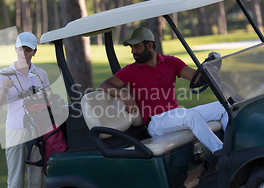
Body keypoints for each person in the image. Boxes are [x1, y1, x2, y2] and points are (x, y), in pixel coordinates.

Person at [98, 27, 228, 155]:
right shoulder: (130, 70)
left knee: (224, 106)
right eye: (131, 47)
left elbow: (198, 79)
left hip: (177, 113)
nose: (133, 51)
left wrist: (213, 67)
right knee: (191, 116)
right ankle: (222, 153)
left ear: (149, 45)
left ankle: (233, 146)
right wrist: (122, 92)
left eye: (136, 46)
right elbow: (104, 85)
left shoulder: (171, 62)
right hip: (156, 122)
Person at [0, 32, 50, 188]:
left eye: (28, 50)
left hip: (37, 130)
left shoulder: (41, 74)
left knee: (37, 179)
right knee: (15, 182)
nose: (23, 53)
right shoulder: (5, 74)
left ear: (34, 51)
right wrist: (2, 91)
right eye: (20, 49)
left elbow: (47, 102)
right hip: (15, 131)